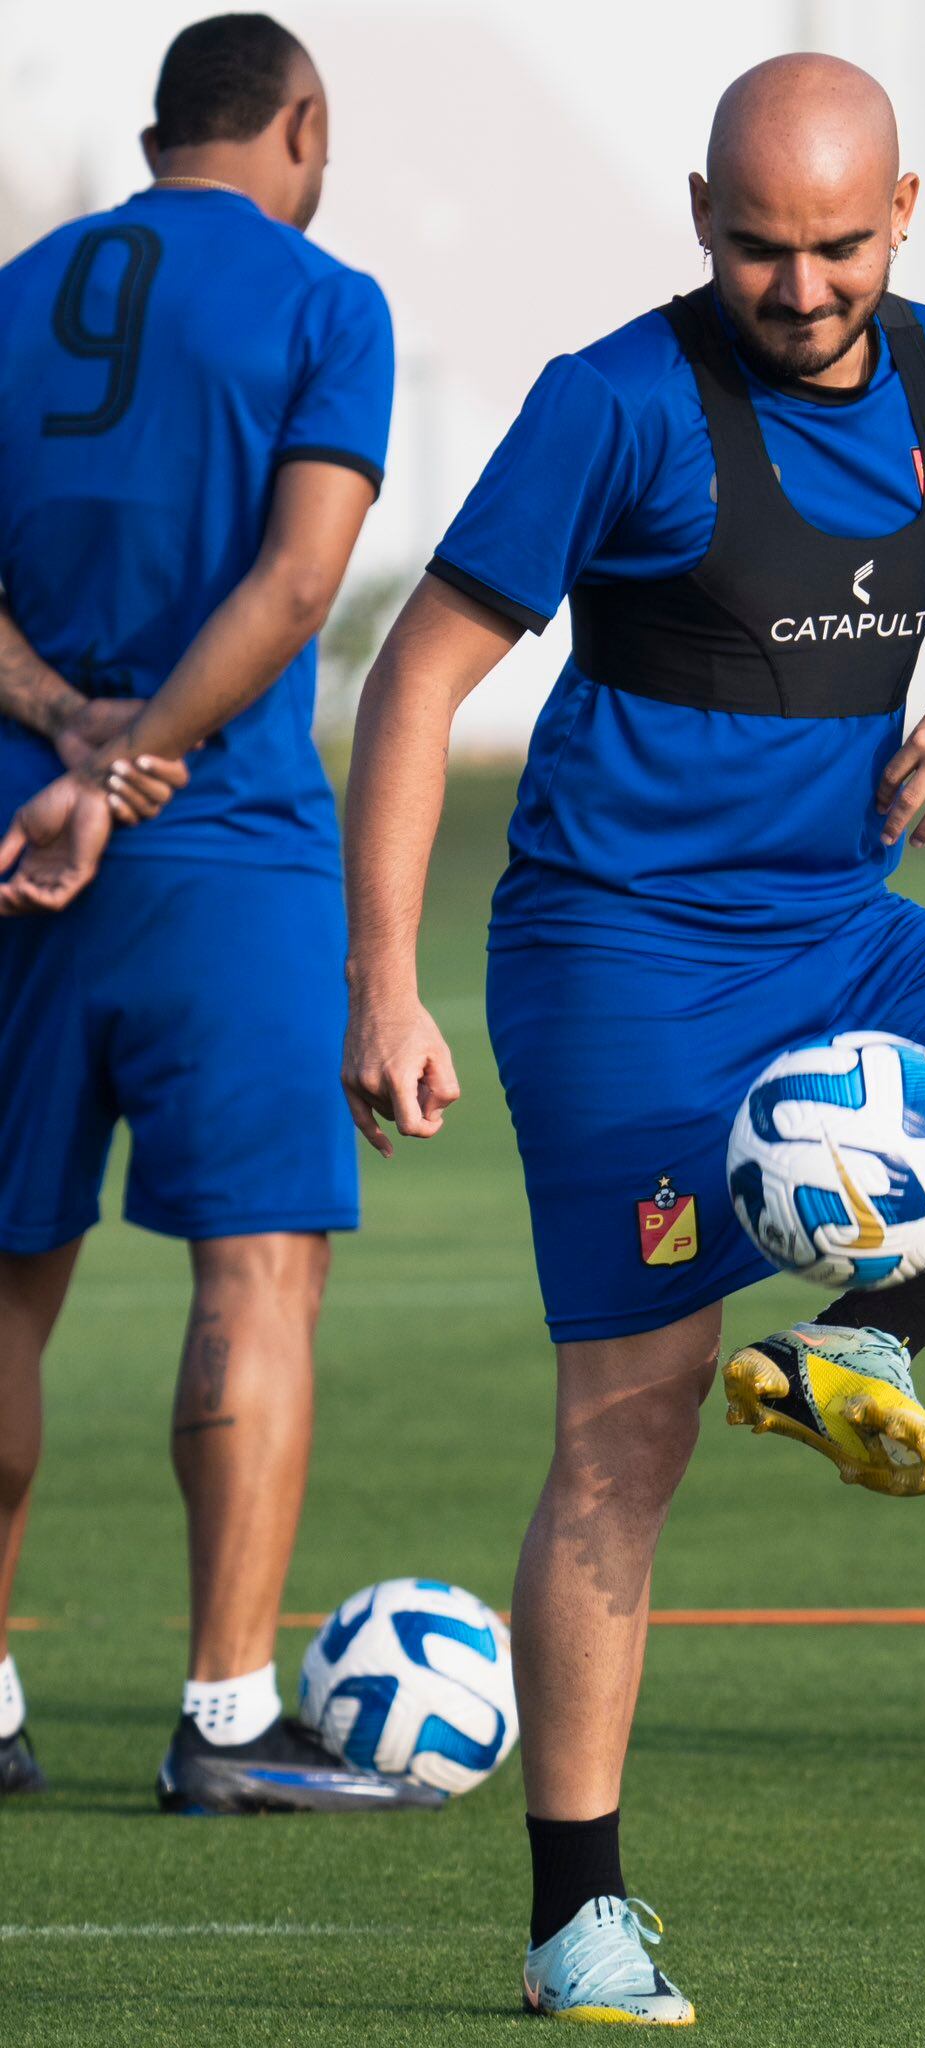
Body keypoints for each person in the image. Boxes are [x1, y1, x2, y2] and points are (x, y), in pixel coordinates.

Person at [342, 54, 925, 2022]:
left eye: (839, 243)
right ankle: (575, 1917)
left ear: (906, 212)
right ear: (700, 216)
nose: (801, 283)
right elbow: (419, 680)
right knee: (630, 1432)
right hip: (620, 970)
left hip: (845, 943)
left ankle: (868, 1335)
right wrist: (383, 982)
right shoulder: (613, 403)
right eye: (760, 244)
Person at [0, 13, 439, 1814]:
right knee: (254, 1272)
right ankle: (229, 1722)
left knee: (9, 1286)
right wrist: (136, 765)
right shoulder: (326, 300)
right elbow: (301, 582)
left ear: (156, 130)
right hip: (222, 838)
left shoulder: (17, 288)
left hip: (15, 837)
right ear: (299, 125)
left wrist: (57, 730)